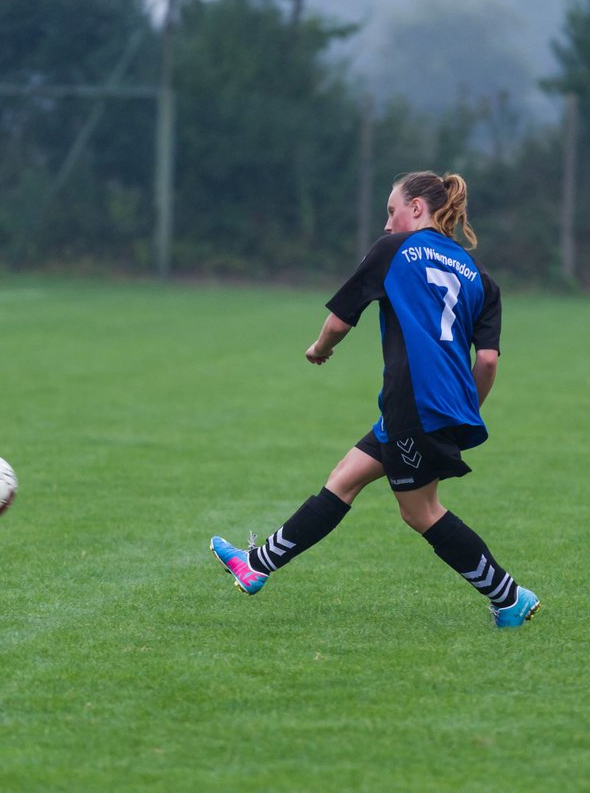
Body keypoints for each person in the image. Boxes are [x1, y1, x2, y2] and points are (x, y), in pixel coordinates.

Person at [210, 171, 540, 628]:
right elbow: (486, 363)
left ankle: (509, 598)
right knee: (344, 479)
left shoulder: (394, 251)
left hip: (413, 404)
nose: (387, 224)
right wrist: (462, 410)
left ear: (418, 209)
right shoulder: (481, 278)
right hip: (433, 406)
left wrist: (318, 349)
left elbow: (340, 322)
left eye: (392, 211)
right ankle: (257, 565)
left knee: (420, 512)